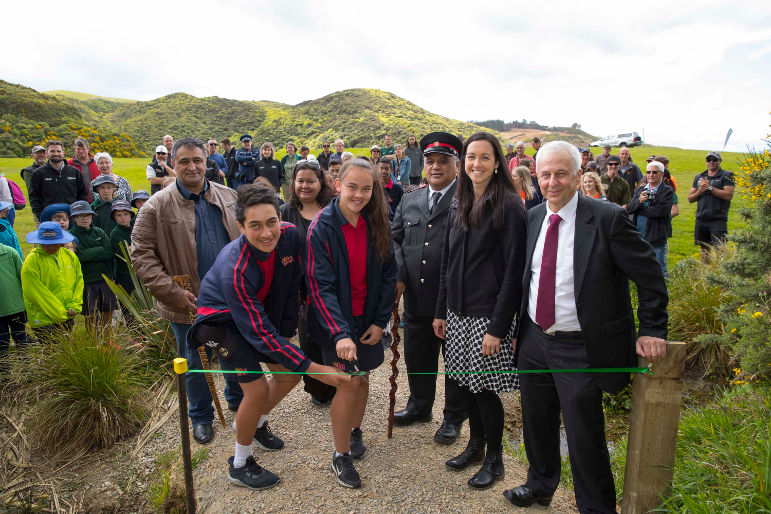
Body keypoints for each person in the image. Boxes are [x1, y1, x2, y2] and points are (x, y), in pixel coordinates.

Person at [502, 141, 668, 512]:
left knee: (583, 437)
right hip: (533, 339)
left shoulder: (607, 218)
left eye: (561, 173)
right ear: (537, 178)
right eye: (545, 174)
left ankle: (595, 507)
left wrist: (653, 328)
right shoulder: (532, 218)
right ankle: (540, 484)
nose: (552, 182)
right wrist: (515, 331)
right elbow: (523, 279)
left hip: (580, 346)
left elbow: (650, 274)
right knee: (537, 422)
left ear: (578, 175)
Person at [188, 184, 350, 490]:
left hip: (256, 317)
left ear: (281, 217)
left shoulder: (290, 236)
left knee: (288, 376)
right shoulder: (235, 268)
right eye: (255, 226)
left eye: (271, 222)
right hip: (221, 324)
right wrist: (319, 371)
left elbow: (303, 280)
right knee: (258, 390)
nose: (266, 233)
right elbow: (260, 335)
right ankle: (239, 463)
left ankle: (255, 424)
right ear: (240, 227)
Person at [132, 137, 245, 445]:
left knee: (234, 351)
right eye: (184, 161)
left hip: (229, 296)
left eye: (197, 160)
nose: (192, 166)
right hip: (186, 299)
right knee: (194, 359)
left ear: (206, 162)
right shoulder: (156, 205)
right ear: (173, 163)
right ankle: (201, 417)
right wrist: (172, 293)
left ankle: (238, 400)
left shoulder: (229, 196)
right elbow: (141, 254)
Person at [433, 132, 526, 490]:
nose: (476, 164)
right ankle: (474, 445)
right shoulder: (460, 200)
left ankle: (496, 460)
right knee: (465, 385)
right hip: (457, 313)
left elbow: (514, 273)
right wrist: (441, 309)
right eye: (471, 157)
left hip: (487, 317)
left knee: (485, 390)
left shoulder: (509, 205)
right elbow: (447, 261)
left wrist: (498, 328)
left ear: (498, 162)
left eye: (485, 157)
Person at [306, 158, 397, 488]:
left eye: (367, 188)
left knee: (362, 379)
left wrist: (379, 320)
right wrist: (340, 333)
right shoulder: (322, 228)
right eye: (352, 187)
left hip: (367, 320)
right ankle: (340, 454)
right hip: (336, 323)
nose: (359, 195)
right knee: (348, 382)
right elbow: (320, 285)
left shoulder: (376, 222)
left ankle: (355, 429)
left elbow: (389, 275)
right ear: (337, 183)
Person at [391, 131, 468, 444]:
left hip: (453, 300)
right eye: (431, 161)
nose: (436, 166)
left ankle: (453, 417)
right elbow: (395, 238)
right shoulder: (410, 200)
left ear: (456, 165)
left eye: (443, 161)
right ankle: (420, 406)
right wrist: (398, 274)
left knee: (454, 362)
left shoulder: (467, 200)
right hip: (417, 299)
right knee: (418, 357)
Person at [279, 160, 336, 405]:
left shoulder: (333, 208)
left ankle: (339, 385)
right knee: (309, 340)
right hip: (301, 291)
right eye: (300, 180)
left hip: (330, 287)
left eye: (310, 181)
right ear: (293, 183)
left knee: (333, 339)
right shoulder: (285, 211)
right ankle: (318, 390)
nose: (305, 185)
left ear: (320, 183)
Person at [22, 222, 83, 340]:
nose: (50, 247)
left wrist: (74, 306)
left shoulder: (70, 256)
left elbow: (78, 281)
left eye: (54, 243)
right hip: (45, 320)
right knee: (53, 353)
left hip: (68, 314)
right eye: (46, 244)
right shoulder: (32, 261)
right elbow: (35, 292)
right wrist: (60, 314)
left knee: (65, 352)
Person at [69, 200, 117, 335]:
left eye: (87, 215)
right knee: (91, 313)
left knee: (107, 309)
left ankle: (107, 339)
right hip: (87, 280)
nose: (85, 219)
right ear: (74, 218)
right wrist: (99, 249)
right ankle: (93, 340)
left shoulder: (99, 232)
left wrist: (90, 254)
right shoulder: (72, 236)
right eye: (80, 216)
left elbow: (109, 253)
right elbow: (80, 257)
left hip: (105, 278)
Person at [626, 161, 674, 277]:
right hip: (639, 235)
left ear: (662, 174)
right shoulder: (641, 190)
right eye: (648, 172)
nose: (651, 175)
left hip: (656, 236)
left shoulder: (667, 191)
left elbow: (660, 212)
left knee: (659, 268)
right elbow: (629, 209)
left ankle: (664, 292)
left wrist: (639, 208)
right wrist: (639, 202)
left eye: (654, 172)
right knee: (640, 266)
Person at [688, 151, 735, 263]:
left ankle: (721, 276)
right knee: (704, 250)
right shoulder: (699, 177)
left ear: (720, 161)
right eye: (709, 160)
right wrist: (700, 190)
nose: (712, 162)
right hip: (701, 218)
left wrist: (710, 188)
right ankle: (705, 275)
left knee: (720, 250)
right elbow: (690, 198)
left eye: (715, 159)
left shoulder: (727, 175)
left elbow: (728, 195)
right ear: (706, 162)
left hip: (718, 219)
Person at [29, 140, 88, 221]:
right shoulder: (38, 173)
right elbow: (34, 197)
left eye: (58, 151)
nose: (56, 154)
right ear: (47, 153)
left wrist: (78, 214)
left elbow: (82, 195)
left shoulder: (74, 172)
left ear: (63, 153)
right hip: (49, 218)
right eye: (52, 151)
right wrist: (41, 216)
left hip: (71, 218)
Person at [0, 240, 27, 376]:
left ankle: (27, 372)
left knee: (21, 339)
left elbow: (23, 278)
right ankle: (6, 378)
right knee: (2, 346)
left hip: (16, 308)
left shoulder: (10, 253)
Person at [109, 199, 136, 298]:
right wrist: (135, 247)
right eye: (119, 215)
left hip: (140, 270)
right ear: (114, 217)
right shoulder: (115, 233)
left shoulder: (135, 227)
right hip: (124, 273)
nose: (123, 218)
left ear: (130, 214)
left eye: (125, 214)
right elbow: (126, 252)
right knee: (129, 303)